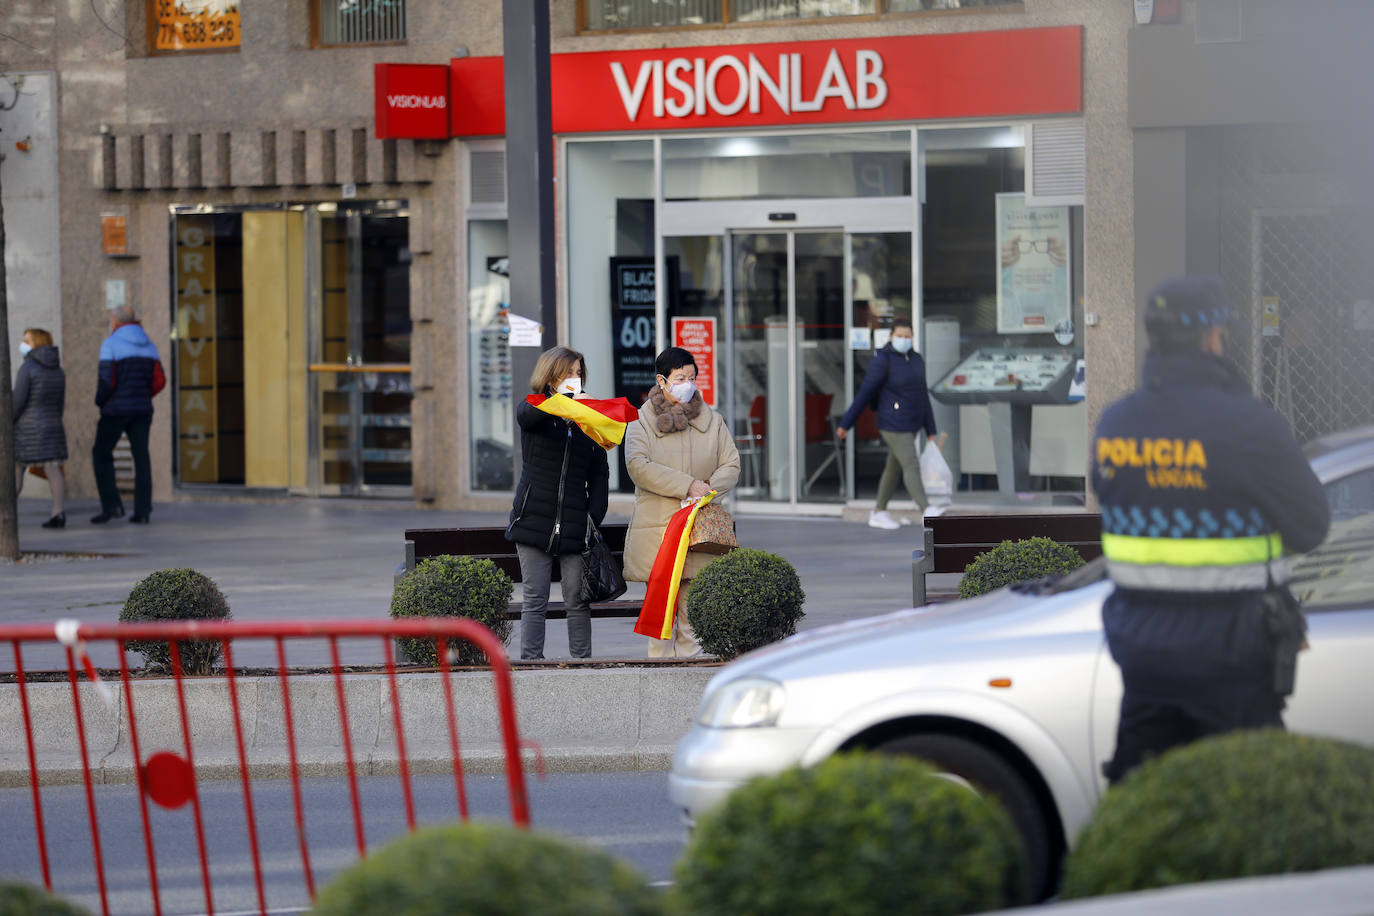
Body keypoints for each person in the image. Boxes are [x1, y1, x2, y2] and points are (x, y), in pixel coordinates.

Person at [1092, 275, 1331, 784]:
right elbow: (1312, 525)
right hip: (1233, 663)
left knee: (1145, 814)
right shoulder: (1249, 425)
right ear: (1213, 337)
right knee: (1247, 819)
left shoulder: (1115, 425)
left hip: (1144, 662)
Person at [624, 347, 740, 657]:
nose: (687, 383)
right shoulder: (640, 421)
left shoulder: (712, 420)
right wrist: (687, 485)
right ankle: (658, 687)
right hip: (659, 533)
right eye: (679, 378)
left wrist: (706, 490)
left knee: (693, 622)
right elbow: (638, 466)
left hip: (699, 534)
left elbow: (731, 464)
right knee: (660, 619)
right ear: (661, 380)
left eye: (691, 377)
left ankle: (687, 687)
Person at [504, 346, 610, 660]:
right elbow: (527, 415)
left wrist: (593, 516)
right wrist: (562, 403)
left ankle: (581, 666)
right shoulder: (535, 406)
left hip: (576, 525)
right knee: (535, 600)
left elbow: (600, 475)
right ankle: (531, 665)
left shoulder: (589, 418)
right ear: (551, 376)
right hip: (533, 520)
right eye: (567, 373)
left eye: (578, 373)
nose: (574, 379)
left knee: (577, 601)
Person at [836, 318, 939, 529]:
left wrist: (931, 428)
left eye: (907, 336)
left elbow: (923, 395)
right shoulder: (883, 360)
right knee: (910, 463)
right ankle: (926, 509)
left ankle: (879, 511)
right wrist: (846, 423)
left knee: (892, 469)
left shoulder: (917, 359)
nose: (904, 339)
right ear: (891, 337)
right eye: (900, 336)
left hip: (913, 422)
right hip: (892, 423)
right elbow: (865, 393)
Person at [92, 305, 165, 524]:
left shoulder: (110, 344)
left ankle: (112, 505)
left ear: (115, 321)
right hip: (142, 410)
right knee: (141, 458)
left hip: (115, 410)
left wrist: (100, 401)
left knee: (101, 453)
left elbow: (106, 381)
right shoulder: (149, 345)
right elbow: (159, 380)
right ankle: (142, 511)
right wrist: (143, 395)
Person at [13, 328, 68, 528]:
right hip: (52, 426)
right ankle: (58, 513)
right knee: (53, 470)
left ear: (35, 342)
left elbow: (18, 401)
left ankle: (6, 513)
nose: (23, 343)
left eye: (26, 340)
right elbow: (60, 403)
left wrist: (8, 421)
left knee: (17, 469)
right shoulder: (58, 370)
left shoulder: (27, 368)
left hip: (27, 429)